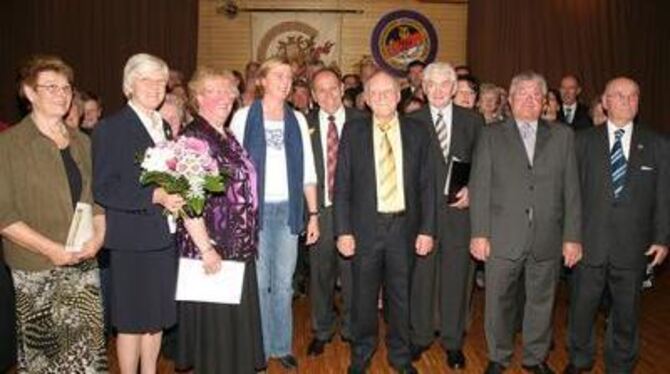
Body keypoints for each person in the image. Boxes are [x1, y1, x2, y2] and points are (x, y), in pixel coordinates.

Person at [469, 71, 582, 374]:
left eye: (536, 95)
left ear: (544, 100)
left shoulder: (563, 136)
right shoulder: (491, 135)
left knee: (542, 303)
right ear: (511, 98)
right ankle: (498, 356)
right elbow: (479, 188)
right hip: (502, 236)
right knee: (498, 302)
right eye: (523, 94)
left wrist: (572, 237)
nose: (530, 101)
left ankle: (535, 357)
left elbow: (572, 190)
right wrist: (479, 234)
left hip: (547, 236)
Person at [0, 54, 107, 372]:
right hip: (37, 267)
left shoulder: (82, 142)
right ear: (29, 93)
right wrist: (52, 250)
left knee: (87, 353)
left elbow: (96, 201)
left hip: (84, 261)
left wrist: (98, 238)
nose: (62, 94)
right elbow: (4, 215)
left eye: (66, 87)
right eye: (51, 87)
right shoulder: (9, 145)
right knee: (48, 358)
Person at [334, 71, 435, 374]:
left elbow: (427, 185)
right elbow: (342, 186)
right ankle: (362, 352)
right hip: (365, 229)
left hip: (404, 228)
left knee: (401, 297)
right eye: (373, 93)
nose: (380, 98)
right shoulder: (353, 132)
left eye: (387, 92)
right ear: (365, 98)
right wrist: (343, 231)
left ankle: (400, 356)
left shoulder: (418, 132)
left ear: (398, 95)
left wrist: (428, 229)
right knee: (363, 297)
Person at [566, 77, 669, 374]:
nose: (626, 100)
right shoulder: (582, 141)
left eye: (633, 96)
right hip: (588, 243)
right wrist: (570, 237)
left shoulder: (658, 144)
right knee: (582, 310)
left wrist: (662, 239)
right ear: (605, 102)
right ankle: (580, 359)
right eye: (619, 95)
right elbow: (571, 196)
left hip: (634, 247)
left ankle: (621, 364)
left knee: (626, 313)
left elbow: (664, 197)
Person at [93, 53, 184, 374]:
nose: (155, 87)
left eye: (161, 81)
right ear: (129, 85)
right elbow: (103, 189)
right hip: (132, 240)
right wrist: (155, 195)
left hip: (162, 237)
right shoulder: (111, 128)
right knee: (132, 321)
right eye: (146, 79)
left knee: (155, 318)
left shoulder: (164, 128)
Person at [173, 66, 265, 373]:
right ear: (198, 97)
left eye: (229, 91)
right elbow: (187, 200)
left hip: (238, 246)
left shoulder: (226, 135)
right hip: (214, 249)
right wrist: (206, 249)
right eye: (215, 91)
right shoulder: (194, 138)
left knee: (233, 331)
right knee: (217, 336)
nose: (225, 97)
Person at [230, 57, 320, 370]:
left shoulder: (296, 120)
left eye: (289, 77)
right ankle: (260, 347)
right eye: (279, 76)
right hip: (255, 212)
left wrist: (314, 214)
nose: (285, 82)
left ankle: (281, 346)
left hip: (288, 211)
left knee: (283, 283)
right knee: (258, 282)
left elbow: (308, 169)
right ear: (263, 80)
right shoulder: (243, 117)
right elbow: (233, 170)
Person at [407, 62, 484, 368]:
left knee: (457, 280)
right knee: (421, 280)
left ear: (454, 88)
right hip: (421, 218)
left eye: (444, 84)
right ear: (423, 89)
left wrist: (474, 192)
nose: (438, 90)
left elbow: (484, 165)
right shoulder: (410, 122)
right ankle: (420, 337)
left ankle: (453, 341)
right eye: (432, 84)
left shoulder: (474, 122)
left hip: (459, 217)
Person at [304, 68, 367, 356]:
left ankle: (353, 329)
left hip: (356, 214)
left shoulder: (363, 122)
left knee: (354, 274)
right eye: (321, 90)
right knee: (320, 274)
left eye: (333, 88)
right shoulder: (303, 125)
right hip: (320, 211)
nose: (328, 95)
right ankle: (322, 329)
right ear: (313, 96)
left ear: (343, 89)